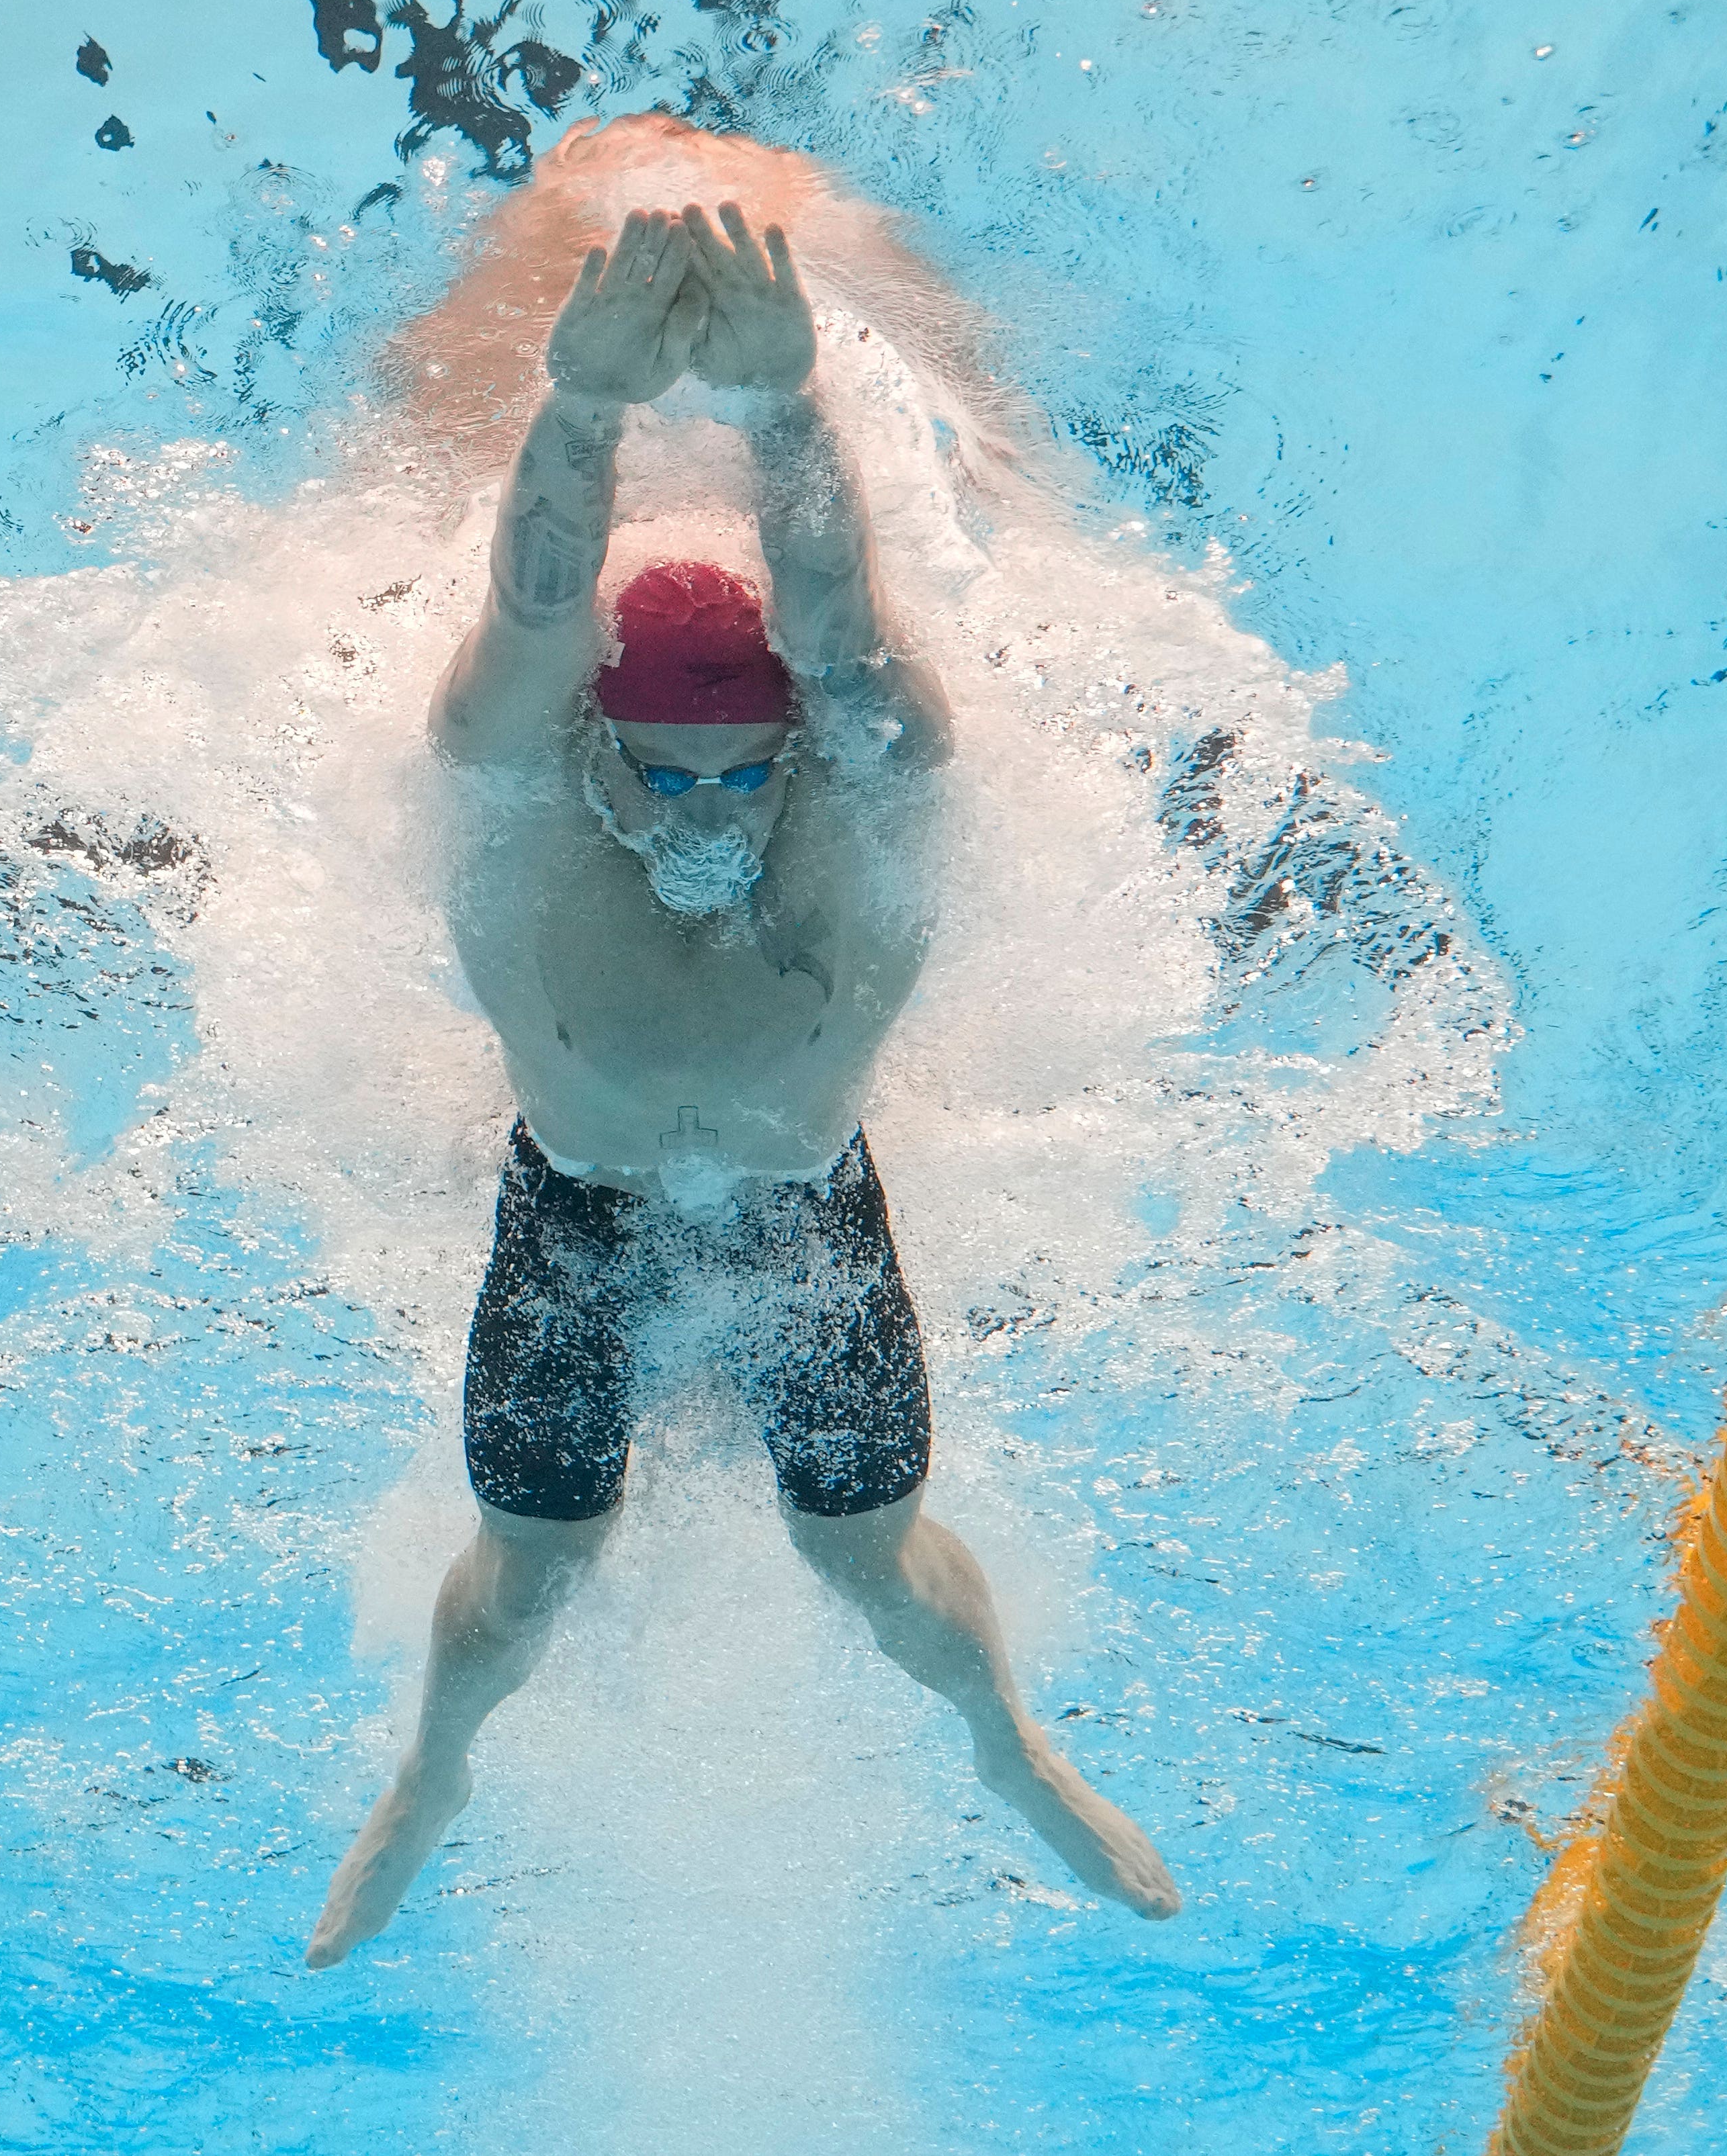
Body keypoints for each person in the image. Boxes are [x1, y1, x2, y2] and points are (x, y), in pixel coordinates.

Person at [306, 200, 1181, 1968]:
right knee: (533, 1578)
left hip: (808, 1221)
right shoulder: (518, 809)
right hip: (576, 1224)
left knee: (869, 1566)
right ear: (591, 750)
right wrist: (577, 413)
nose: (709, 819)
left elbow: (847, 637)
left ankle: (1013, 1755)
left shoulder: (860, 800)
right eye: (665, 778)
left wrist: (790, 410)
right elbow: (529, 610)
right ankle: (429, 1776)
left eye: (743, 779)